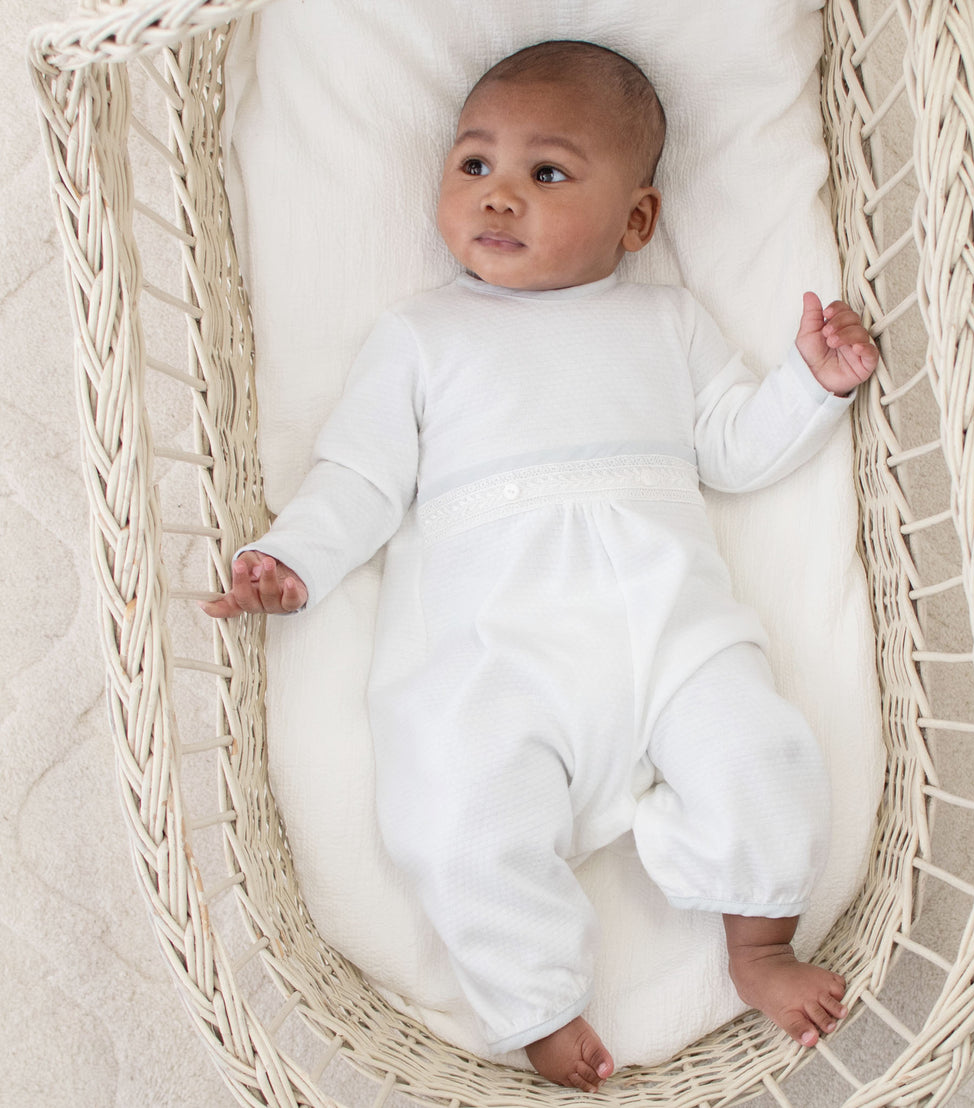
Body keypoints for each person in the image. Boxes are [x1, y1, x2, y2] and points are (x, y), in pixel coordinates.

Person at [204, 40, 878, 1093]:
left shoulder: (665, 320)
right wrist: (291, 557)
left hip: (668, 633)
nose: (498, 197)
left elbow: (735, 448)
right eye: (473, 165)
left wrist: (813, 384)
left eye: (547, 173)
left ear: (637, 221)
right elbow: (361, 474)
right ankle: (535, 1001)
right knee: (457, 815)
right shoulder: (422, 334)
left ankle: (756, 946)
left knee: (768, 754)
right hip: (497, 654)